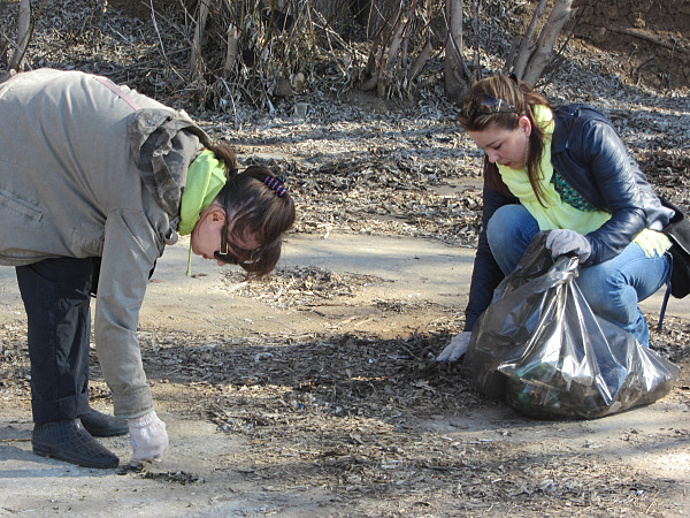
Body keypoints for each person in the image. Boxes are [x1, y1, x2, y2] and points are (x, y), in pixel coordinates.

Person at [0, 68, 295, 468]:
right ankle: (55, 423)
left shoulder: (191, 162)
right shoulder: (147, 199)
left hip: (38, 109)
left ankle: (71, 402)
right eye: (228, 254)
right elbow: (116, 318)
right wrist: (141, 416)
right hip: (18, 140)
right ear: (215, 219)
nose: (218, 262)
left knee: (86, 267)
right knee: (60, 269)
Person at [436, 73, 674, 363]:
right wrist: (472, 328)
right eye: (484, 149)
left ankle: (634, 352)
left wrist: (591, 246)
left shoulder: (585, 131)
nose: (491, 158)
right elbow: (488, 248)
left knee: (598, 280)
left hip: (639, 244)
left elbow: (633, 212)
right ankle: (552, 329)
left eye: (497, 146)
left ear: (524, 125)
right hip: (571, 248)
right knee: (502, 225)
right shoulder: (500, 167)